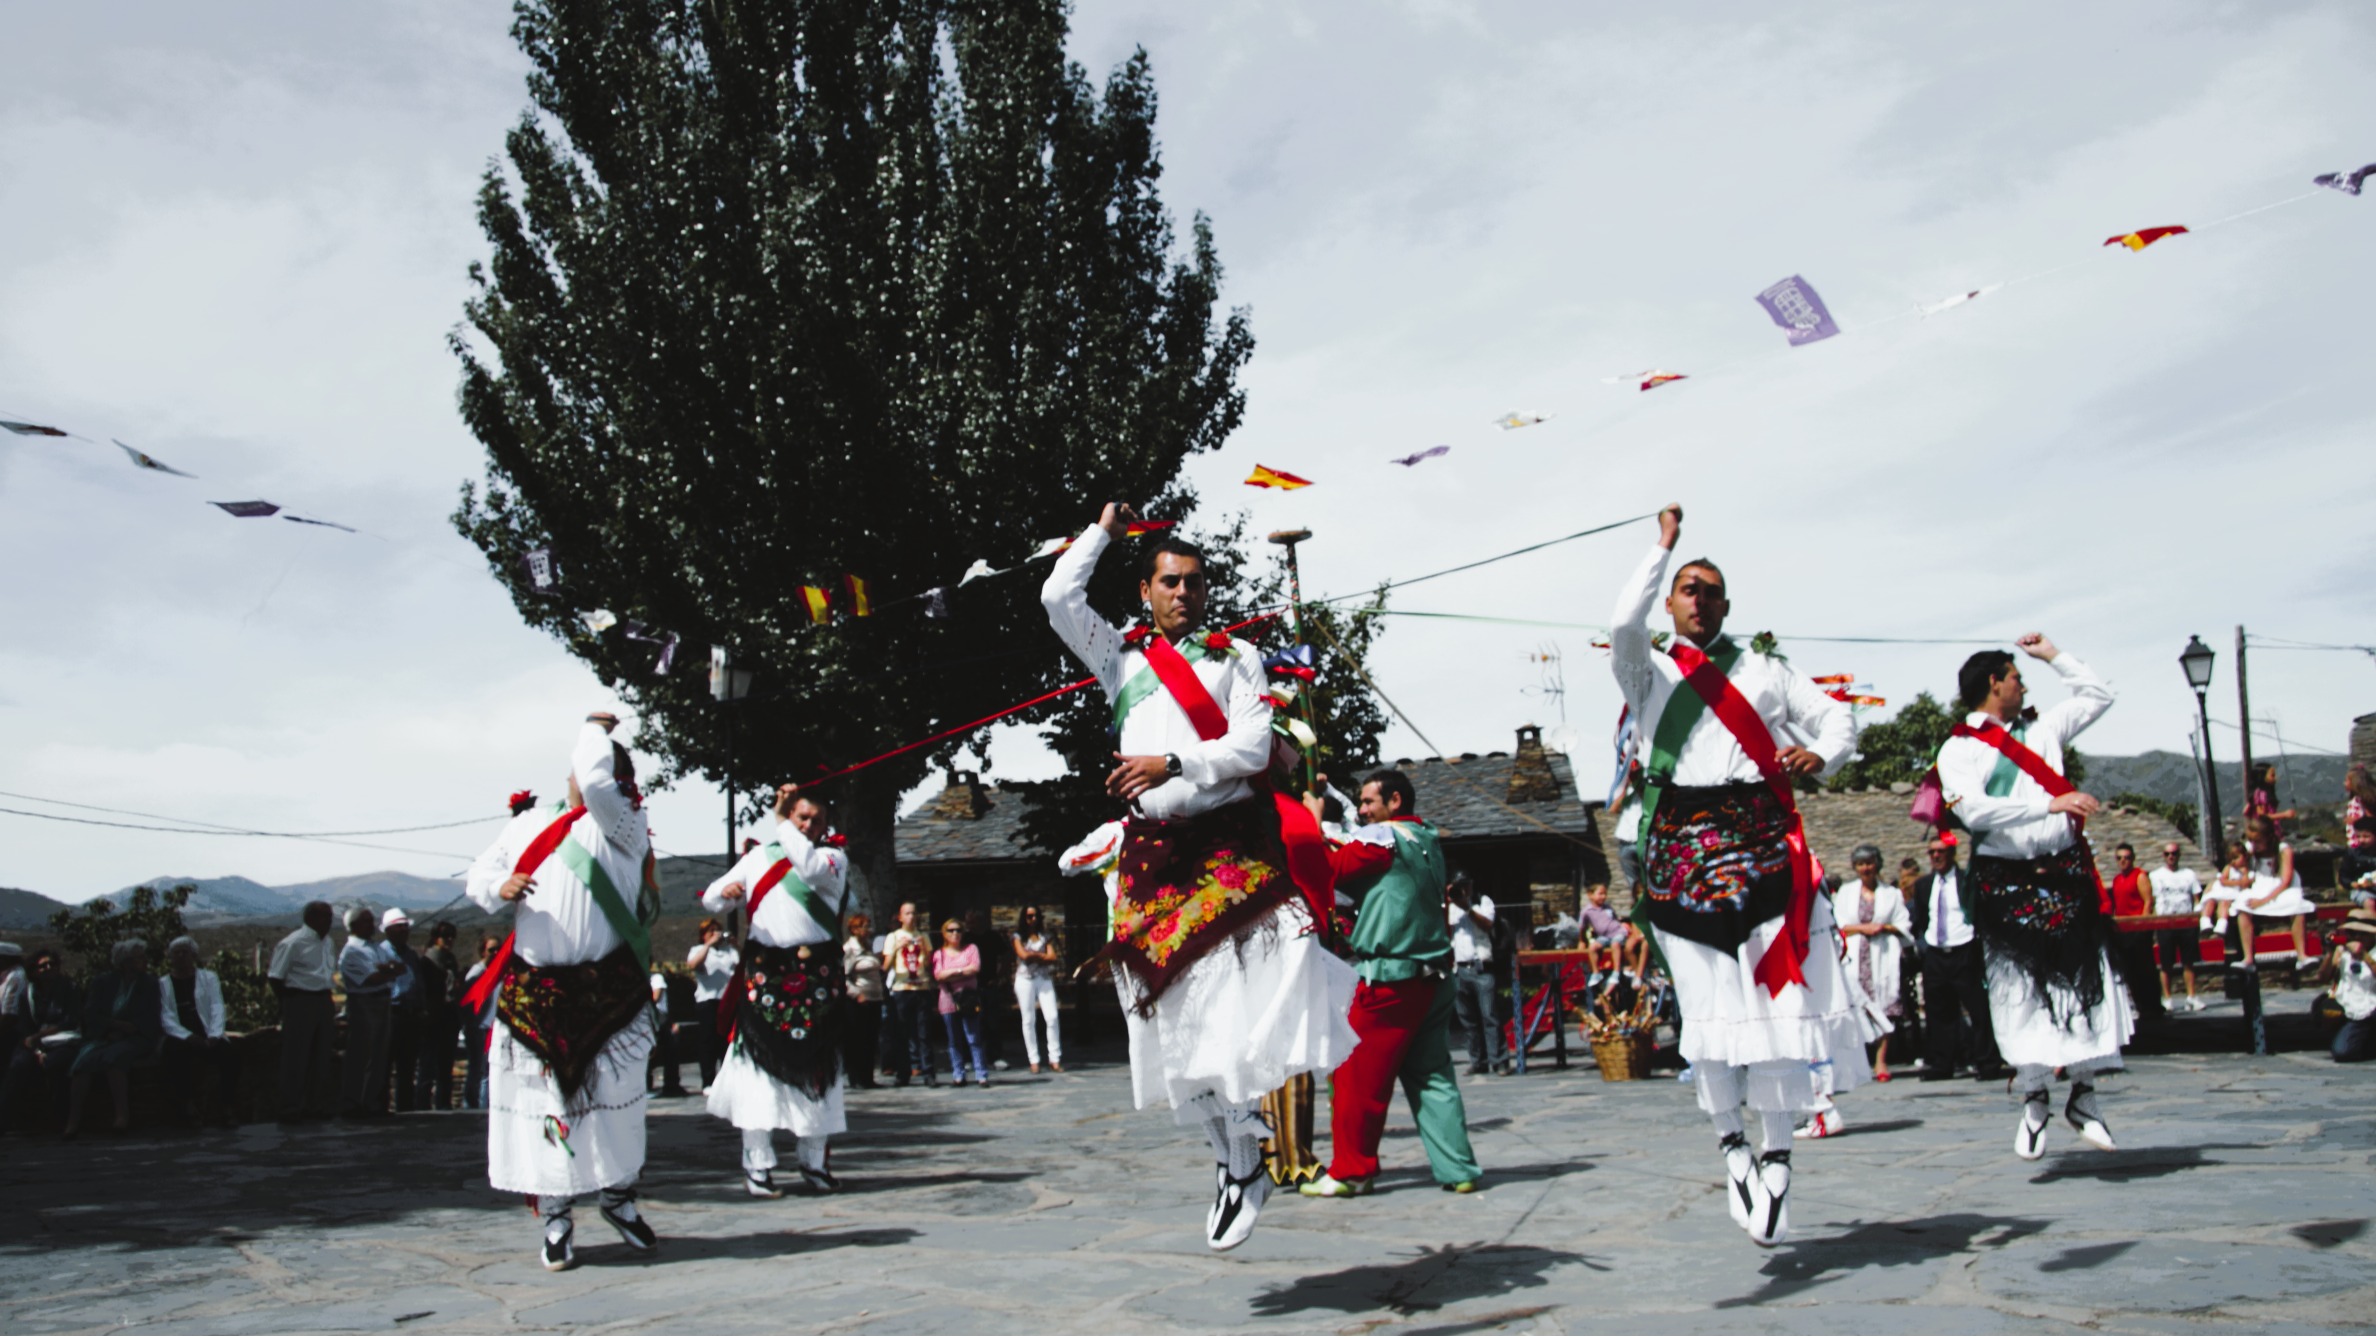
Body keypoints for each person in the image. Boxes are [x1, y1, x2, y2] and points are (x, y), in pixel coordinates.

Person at [1041, 501, 1355, 1252]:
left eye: (1195, 583)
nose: (1185, 593)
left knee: (1245, 987)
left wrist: (1172, 762)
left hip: (1227, 841)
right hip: (1153, 852)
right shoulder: (1116, 657)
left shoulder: (1235, 658)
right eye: (1171, 582)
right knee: (1169, 1010)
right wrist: (1105, 533)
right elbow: (1057, 597)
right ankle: (1235, 1157)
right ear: (1145, 591)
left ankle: (1245, 1140)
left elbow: (1251, 748)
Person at [1607, 503, 1861, 1246]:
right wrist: (1660, 549)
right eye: (1687, 587)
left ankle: (1778, 1152)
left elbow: (1839, 719)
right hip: (1682, 846)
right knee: (1709, 1008)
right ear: (1672, 598)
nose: (1699, 598)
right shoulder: (1647, 671)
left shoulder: (1767, 671)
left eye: (1710, 590)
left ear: (1726, 603)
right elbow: (1624, 622)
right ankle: (1732, 1147)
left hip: (1760, 843)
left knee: (1773, 1004)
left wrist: (1822, 754)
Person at [461, 713, 663, 1271]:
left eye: (595, 762)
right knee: (543, 1111)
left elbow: (598, 782)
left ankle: (619, 1201)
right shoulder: (527, 825)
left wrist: (594, 725)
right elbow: (479, 874)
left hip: (608, 996)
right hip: (536, 994)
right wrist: (497, 888)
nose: (585, 771)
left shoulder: (622, 821)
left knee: (617, 1110)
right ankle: (555, 1217)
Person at [1936, 635, 2126, 1160]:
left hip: (2064, 871)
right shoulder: (1959, 748)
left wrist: (2053, 654)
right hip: (2006, 876)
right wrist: (2049, 804)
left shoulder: (2044, 730)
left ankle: (2085, 1094)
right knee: (2016, 989)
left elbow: (2099, 696)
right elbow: (1973, 813)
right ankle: (2035, 1094)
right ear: (1994, 684)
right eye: (2017, 675)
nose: (2024, 683)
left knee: (2085, 983)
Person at [1300, 769, 1483, 1198]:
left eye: (1368, 802)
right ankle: (1459, 1169)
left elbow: (1327, 864)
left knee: (1352, 1073)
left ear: (1395, 801)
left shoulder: (1385, 839)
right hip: (1433, 977)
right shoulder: (1426, 840)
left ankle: (1351, 1171)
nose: (1362, 810)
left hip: (1392, 980)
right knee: (1432, 1075)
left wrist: (1312, 818)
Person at [701, 782, 853, 1197]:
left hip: (816, 980)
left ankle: (814, 1162)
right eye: (801, 816)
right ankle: (758, 1165)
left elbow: (805, 867)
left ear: (826, 826)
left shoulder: (832, 859)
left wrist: (781, 816)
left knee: (818, 1074)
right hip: (766, 979)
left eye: (815, 820)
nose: (806, 825)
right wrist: (726, 895)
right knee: (758, 1077)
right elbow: (712, 900)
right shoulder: (757, 858)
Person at [64, 939, 164, 1138]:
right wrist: (112, 1026)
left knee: (115, 1058)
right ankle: (73, 1120)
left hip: (136, 1037)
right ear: (125, 962)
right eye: (139, 958)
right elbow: (91, 1012)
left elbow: (152, 1014)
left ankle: (122, 1115)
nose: (144, 961)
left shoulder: (150, 984)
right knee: (83, 1063)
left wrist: (130, 1028)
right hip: (103, 1035)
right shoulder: (102, 982)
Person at [1832, 845, 1910, 1084]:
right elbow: (1839, 923)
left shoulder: (1891, 893)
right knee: (1859, 1005)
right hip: (1856, 953)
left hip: (1882, 953)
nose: (1865, 868)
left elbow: (1903, 922)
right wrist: (1862, 928)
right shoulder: (1846, 892)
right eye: (1860, 864)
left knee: (1884, 1004)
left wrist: (1884, 928)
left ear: (1877, 865)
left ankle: (1881, 1060)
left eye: (1869, 863)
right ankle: (1859, 1060)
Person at [266, 901, 339, 1123]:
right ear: (311, 919)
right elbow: (275, 977)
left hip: (323, 999)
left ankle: (315, 1105)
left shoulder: (328, 943)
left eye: (330, 917)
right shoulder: (293, 943)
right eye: (325, 917)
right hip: (300, 999)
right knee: (296, 1057)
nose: (329, 921)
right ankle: (290, 1107)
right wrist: (290, 1003)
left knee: (321, 1056)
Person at [159, 936, 241, 1128]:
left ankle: (227, 1106)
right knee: (175, 1056)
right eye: (176, 953)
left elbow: (216, 1006)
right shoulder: (163, 983)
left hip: (206, 1032)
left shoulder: (208, 978)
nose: (180, 956)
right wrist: (187, 1036)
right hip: (180, 1035)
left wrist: (214, 1034)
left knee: (230, 1056)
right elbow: (165, 1016)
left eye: (185, 952)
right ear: (170, 957)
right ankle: (187, 1106)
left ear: (193, 956)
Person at [337, 906, 400, 1120]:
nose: (372, 925)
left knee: (379, 1055)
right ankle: (353, 1104)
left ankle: (372, 1103)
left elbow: (396, 968)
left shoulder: (375, 947)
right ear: (354, 925)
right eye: (366, 921)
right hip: (364, 1003)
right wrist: (387, 971)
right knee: (362, 1055)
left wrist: (387, 971)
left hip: (382, 1000)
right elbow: (372, 978)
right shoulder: (353, 951)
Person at [2237, 813, 2317, 967]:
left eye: (2257, 841)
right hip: (2261, 885)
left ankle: (2302, 955)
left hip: (2281, 887)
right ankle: (2248, 958)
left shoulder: (2283, 850)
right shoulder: (2249, 849)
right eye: (2251, 840)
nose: (2254, 844)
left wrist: (2263, 901)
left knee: (2296, 905)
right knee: (2242, 905)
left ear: (2268, 837)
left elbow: (2285, 881)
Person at [1446, 872, 1504, 1076]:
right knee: (1467, 1019)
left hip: (1481, 967)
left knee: (1490, 1016)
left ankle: (1499, 1061)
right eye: (1458, 886)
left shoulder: (1482, 901)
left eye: (1465, 885)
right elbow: (1442, 929)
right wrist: (1447, 902)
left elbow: (1487, 924)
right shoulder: (1450, 907)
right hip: (1459, 968)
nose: (1462, 890)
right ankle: (1478, 1060)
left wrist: (1467, 908)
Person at [2104, 844, 2165, 1022]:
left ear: (2133, 858)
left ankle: (2153, 1005)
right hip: (2123, 929)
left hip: (2138, 928)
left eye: (2127, 857)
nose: (2124, 861)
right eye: (2120, 858)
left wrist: (2144, 925)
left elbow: (2148, 901)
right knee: (2129, 969)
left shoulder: (2140, 876)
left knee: (2145, 968)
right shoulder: (2116, 880)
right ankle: (2139, 1004)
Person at [883, 903, 939, 1088]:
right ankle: (903, 1072)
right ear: (900, 917)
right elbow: (885, 966)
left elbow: (930, 964)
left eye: (914, 913)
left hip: (921, 988)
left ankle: (928, 1072)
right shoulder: (893, 937)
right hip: (901, 988)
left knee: (924, 1033)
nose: (911, 917)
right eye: (907, 913)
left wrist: (924, 950)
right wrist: (897, 948)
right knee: (902, 1032)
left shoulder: (923, 936)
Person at [2147, 843, 2206, 1012]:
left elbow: (2196, 898)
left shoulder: (2189, 874)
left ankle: (2191, 996)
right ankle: (2167, 998)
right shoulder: (2156, 875)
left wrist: (2197, 918)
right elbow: (2152, 900)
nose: (2170, 857)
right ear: (2163, 856)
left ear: (2179, 855)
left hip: (2186, 921)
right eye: (2167, 854)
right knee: (2166, 963)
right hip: (2166, 922)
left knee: (2189, 962)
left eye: (2173, 853)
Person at [932, 920, 989, 1086]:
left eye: (958, 930)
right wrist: (962, 971)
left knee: (973, 1037)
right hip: (948, 998)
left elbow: (975, 968)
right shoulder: (939, 954)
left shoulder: (971, 949)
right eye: (950, 931)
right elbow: (939, 976)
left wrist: (952, 973)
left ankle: (981, 1073)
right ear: (944, 933)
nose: (955, 934)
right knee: (953, 1039)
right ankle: (958, 1073)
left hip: (968, 998)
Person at [381, 908, 426, 1112]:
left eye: (406, 928)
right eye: (399, 929)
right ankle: (380, 1106)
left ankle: (405, 1108)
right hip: (392, 1012)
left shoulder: (410, 954)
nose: (404, 932)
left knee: (407, 1065)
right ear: (388, 931)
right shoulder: (381, 953)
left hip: (412, 1014)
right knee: (385, 1062)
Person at [686, 917, 738, 1091]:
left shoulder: (728, 951)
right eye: (711, 932)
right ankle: (708, 1080)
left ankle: (727, 1080)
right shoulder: (698, 949)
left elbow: (742, 967)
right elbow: (693, 964)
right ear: (703, 935)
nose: (715, 934)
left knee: (727, 1041)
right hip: (707, 1000)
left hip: (727, 1000)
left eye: (717, 931)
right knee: (708, 1041)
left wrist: (735, 944)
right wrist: (708, 945)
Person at [416, 921, 464, 1110]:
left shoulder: (450, 958)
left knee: (445, 1064)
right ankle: (423, 1104)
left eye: (452, 936)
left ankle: (443, 1103)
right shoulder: (429, 959)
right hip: (433, 1015)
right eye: (446, 936)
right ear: (437, 937)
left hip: (449, 1014)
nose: (450, 940)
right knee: (428, 1063)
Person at [1011, 907, 1064, 1074]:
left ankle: (1054, 1058)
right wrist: (1041, 956)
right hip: (1024, 978)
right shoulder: (1017, 936)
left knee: (1052, 1016)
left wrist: (1035, 955)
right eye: (1028, 916)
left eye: (1035, 916)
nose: (1032, 919)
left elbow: (1053, 957)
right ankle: (1033, 1059)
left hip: (1043, 978)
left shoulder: (1045, 936)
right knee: (1028, 1019)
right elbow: (1023, 955)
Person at [2320, 910, 2376, 1062]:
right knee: (2343, 1051)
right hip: (2349, 1007)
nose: (2355, 938)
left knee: (2344, 1052)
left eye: (2360, 934)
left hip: (2371, 1008)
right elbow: (2323, 977)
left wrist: (2365, 957)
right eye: (2351, 934)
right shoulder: (2343, 952)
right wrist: (2330, 954)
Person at [842, 913, 885, 1089]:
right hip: (859, 1001)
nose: (869, 930)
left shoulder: (867, 947)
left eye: (869, 926)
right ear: (855, 929)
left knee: (871, 1039)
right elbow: (843, 976)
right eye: (865, 926)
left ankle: (868, 1077)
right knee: (857, 1040)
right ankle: (856, 1078)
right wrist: (856, 993)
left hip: (875, 997)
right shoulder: (850, 949)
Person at [1578, 883, 1647, 991]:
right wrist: (1582, 942)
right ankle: (1596, 973)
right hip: (1604, 936)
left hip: (1618, 932)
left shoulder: (1608, 907)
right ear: (1590, 895)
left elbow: (1614, 920)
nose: (1604, 896)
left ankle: (1616, 971)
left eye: (1605, 894)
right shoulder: (1586, 912)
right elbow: (1582, 928)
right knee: (1593, 947)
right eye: (1600, 894)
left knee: (1615, 944)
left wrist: (1622, 924)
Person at [461, 932, 502, 1110]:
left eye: (498, 949)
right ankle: (473, 1105)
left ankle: (485, 1105)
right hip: (478, 1027)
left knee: (488, 1069)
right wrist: (472, 1023)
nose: (495, 953)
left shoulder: (499, 972)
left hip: (492, 1026)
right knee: (478, 1070)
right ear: (483, 951)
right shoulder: (476, 973)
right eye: (491, 949)